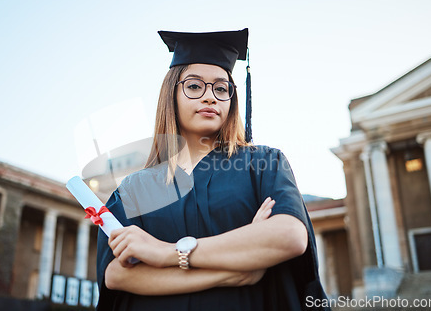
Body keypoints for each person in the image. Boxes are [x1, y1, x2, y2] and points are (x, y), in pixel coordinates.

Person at [96, 29, 330, 310]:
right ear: (171, 94)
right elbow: (117, 274)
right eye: (194, 86)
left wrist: (166, 253)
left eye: (221, 88)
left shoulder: (262, 163)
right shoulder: (135, 189)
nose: (210, 97)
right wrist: (233, 271)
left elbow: (289, 236)